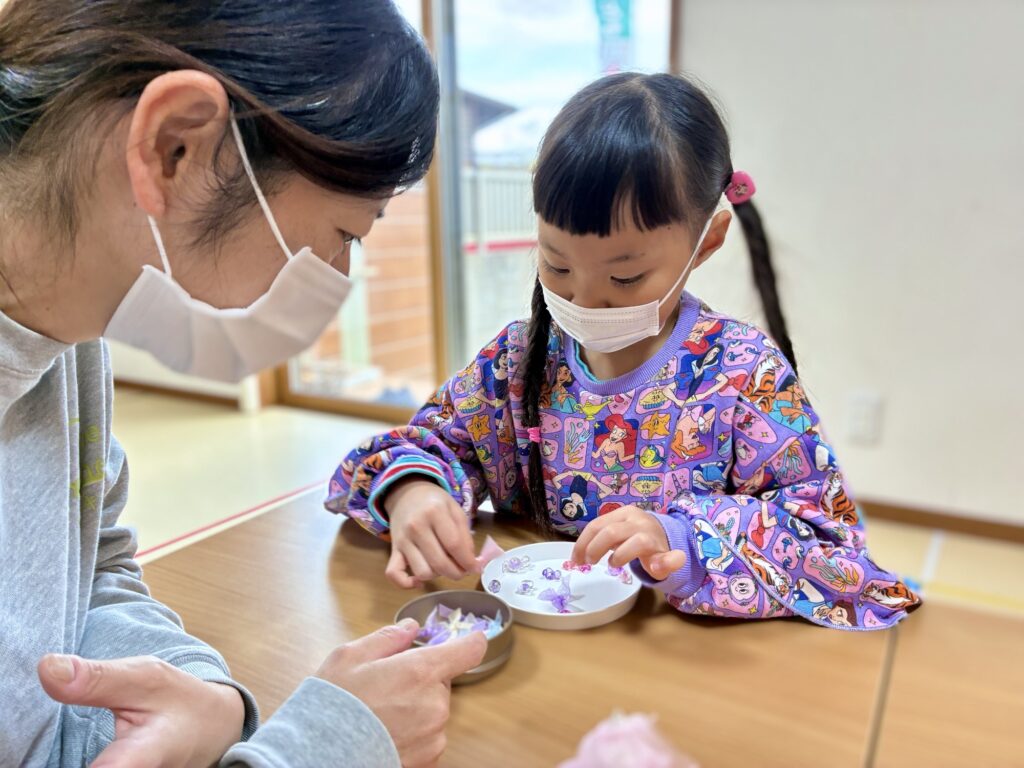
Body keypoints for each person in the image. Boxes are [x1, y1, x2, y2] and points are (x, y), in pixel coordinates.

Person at [0, 1, 485, 766]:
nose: (337, 276)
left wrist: (207, 698)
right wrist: (323, 751)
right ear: (176, 146)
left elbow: (89, 572)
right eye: (344, 235)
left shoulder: (69, 342)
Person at [327, 72, 921, 629]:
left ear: (706, 242)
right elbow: (419, 448)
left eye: (626, 277)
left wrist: (683, 540)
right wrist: (413, 490)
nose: (586, 300)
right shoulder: (517, 362)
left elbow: (833, 551)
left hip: (675, 660)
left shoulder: (743, 374)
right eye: (557, 265)